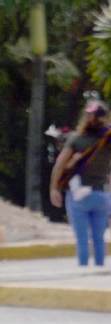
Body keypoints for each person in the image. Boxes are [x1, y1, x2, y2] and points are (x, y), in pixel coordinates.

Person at [49, 100, 111, 268]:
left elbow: (60, 164)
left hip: (78, 196)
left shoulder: (76, 139)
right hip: (103, 196)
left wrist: (54, 188)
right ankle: (99, 272)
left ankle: (83, 271)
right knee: (99, 238)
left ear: (86, 117)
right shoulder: (107, 140)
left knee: (82, 239)